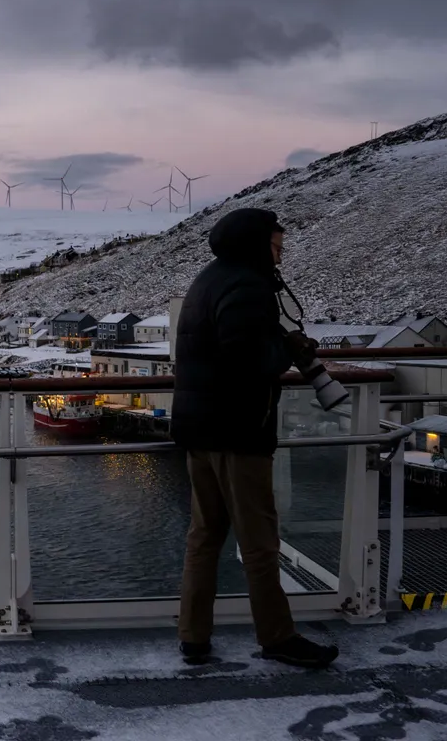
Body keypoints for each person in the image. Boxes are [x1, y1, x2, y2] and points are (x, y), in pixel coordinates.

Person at [170, 207, 339, 669]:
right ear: (256, 245)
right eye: (276, 248)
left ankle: (193, 636)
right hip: (237, 431)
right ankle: (278, 637)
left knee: (204, 536)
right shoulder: (247, 285)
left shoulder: (208, 279)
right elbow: (245, 363)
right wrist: (288, 348)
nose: (281, 258)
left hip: (200, 429)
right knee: (260, 543)